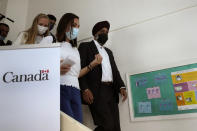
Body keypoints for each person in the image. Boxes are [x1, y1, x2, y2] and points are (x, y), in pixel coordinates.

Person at [78, 21, 127, 131]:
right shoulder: (85, 46)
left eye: (107, 32)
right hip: (96, 91)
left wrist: (121, 87)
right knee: (107, 125)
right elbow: (79, 70)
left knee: (115, 127)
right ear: (95, 33)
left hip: (111, 91)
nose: (105, 34)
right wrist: (85, 89)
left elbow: (114, 71)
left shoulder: (109, 52)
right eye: (102, 31)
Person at [57, 13, 102, 123]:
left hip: (76, 90)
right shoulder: (55, 46)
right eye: (74, 25)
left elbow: (76, 74)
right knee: (67, 125)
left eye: (78, 26)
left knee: (78, 124)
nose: (76, 28)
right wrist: (56, 68)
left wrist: (93, 64)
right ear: (64, 25)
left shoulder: (75, 50)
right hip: (61, 88)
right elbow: (46, 71)